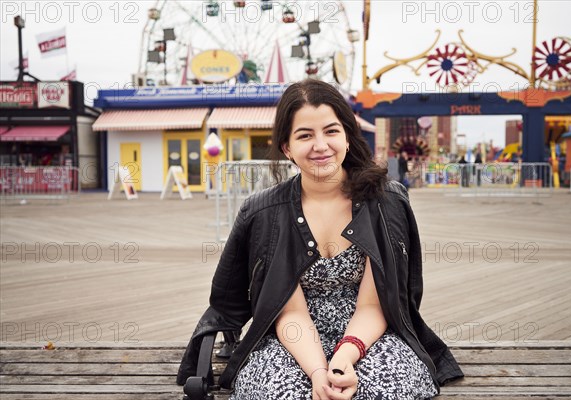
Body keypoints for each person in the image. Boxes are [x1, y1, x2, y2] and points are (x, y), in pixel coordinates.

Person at [177, 80, 463, 399]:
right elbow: (290, 312)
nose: (320, 145)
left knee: (385, 389)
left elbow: (375, 303)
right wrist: (317, 373)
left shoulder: (385, 202)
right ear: (287, 147)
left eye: (331, 131)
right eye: (305, 135)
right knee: (276, 393)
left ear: (346, 136)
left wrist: (343, 360)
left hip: (370, 331)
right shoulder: (265, 212)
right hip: (292, 334)